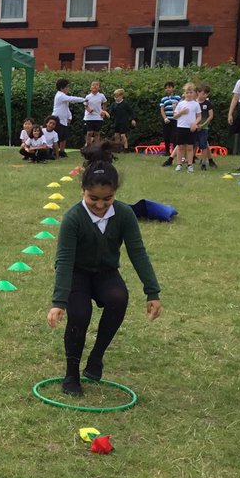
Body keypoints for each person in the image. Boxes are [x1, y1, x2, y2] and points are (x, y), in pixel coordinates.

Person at [47, 142, 161, 396]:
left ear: (115, 193)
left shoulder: (124, 215)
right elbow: (64, 261)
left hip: (105, 273)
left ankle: (96, 358)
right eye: (93, 199)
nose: (100, 205)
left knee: (119, 297)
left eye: (107, 199)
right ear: (82, 190)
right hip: (77, 273)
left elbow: (138, 252)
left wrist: (152, 292)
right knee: (80, 315)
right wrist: (59, 302)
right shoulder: (73, 218)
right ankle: (71, 373)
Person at [52, 79, 85, 158]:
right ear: (61, 88)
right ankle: (54, 152)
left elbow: (66, 108)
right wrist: (84, 99)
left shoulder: (64, 96)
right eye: (66, 87)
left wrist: (69, 117)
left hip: (64, 119)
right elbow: (72, 99)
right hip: (57, 118)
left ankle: (62, 151)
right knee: (58, 137)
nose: (68, 88)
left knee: (64, 136)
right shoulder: (60, 95)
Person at [171, 82, 200, 172]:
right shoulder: (180, 104)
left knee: (190, 147)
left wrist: (195, 124)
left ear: (194, 93)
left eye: (191, 92)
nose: (189, 94)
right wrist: (181, 112)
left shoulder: (196, 104)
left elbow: (199, 116)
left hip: (190, 128)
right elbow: (175, 116)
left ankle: (190, 165)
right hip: (181, 127)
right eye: (187, 92)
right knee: (180, 147)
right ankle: (179, 164)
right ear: (184, 93)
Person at [193, 83, 216, 171]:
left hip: (204, 128)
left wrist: (203, 125)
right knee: (193, 144)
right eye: (203, 93)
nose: (204, 95)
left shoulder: (208, 103)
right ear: (198, 92)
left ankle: (203, 163)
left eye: (206, 94)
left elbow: (211, 116)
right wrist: (194, 124)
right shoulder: (194, 102)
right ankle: (190, 161)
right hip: (194, 126)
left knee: (204, 145)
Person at [158, 81, 180, 167]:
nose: (168, 89)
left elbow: (180, 106)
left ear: (173, 88)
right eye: (167, 87)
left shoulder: (177, 97)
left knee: (175, 136)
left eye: (170, 87)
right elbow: (162, 109)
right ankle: (167, 151)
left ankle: (175, 151)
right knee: (166, 135)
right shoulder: (163, 99)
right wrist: (165, 118)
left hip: (175, 119)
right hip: (167, 120)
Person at [82, 80, 108, 148]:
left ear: (99, 87)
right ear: (90, 87)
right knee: (89, 133)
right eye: (93, 85)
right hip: (89, 117)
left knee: (97, 133)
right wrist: (89, 110)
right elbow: (85, 105)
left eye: (97, 85)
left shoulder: (101, 96)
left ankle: (97, 148)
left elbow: (105, 103)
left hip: (98, 117)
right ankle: (88, 147)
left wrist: (103, 111)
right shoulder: (88, 96)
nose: (95, 86)